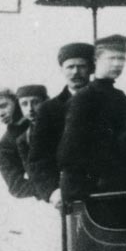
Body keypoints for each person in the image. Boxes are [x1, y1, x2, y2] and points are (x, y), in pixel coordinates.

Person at [57, 34, 126, 205]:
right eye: (111, 58)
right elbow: (69, 152)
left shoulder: (119, 97)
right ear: (96, 60)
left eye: (122, 58)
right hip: (90, 191)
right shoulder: (84, 97)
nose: (117, 63)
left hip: (115, 186)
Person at [27, 42, 96, 201]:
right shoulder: (49, 109)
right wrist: (51, 192)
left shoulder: (106, 100)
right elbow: (38, 157)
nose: (76, 72)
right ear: (62, 69)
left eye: (82, 66)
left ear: (91, 68)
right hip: (68, 193)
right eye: (70, 67)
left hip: (106, 191)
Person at [0, 88, 35, 200]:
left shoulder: (48, 116)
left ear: (16, 101)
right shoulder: (5, 145)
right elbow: (16, 187)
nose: (0, 113)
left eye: (3, 106)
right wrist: (49, 189)